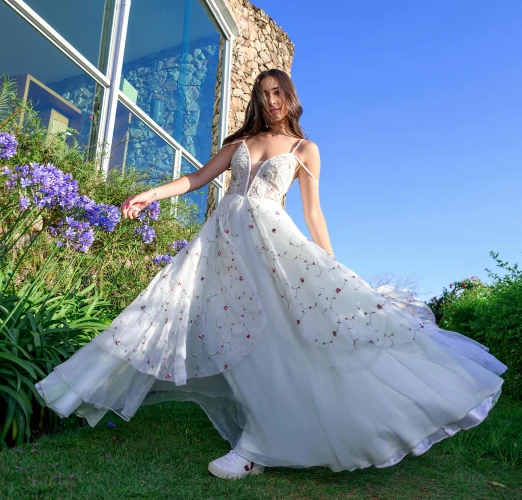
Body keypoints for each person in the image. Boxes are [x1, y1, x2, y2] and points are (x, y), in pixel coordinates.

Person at [35, 69, 507, 479]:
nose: (270, 101)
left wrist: (333, 266)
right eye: (263, 94)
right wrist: (148, 195)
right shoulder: (240, 144)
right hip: (221, 245)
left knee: (275, 339)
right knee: (173, 312)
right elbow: (197, 179)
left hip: (271, 246)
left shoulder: (305, 148)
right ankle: (83, 388)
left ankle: (257, 445)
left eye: (277, 92)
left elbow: (314, 214)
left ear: (290, 96)